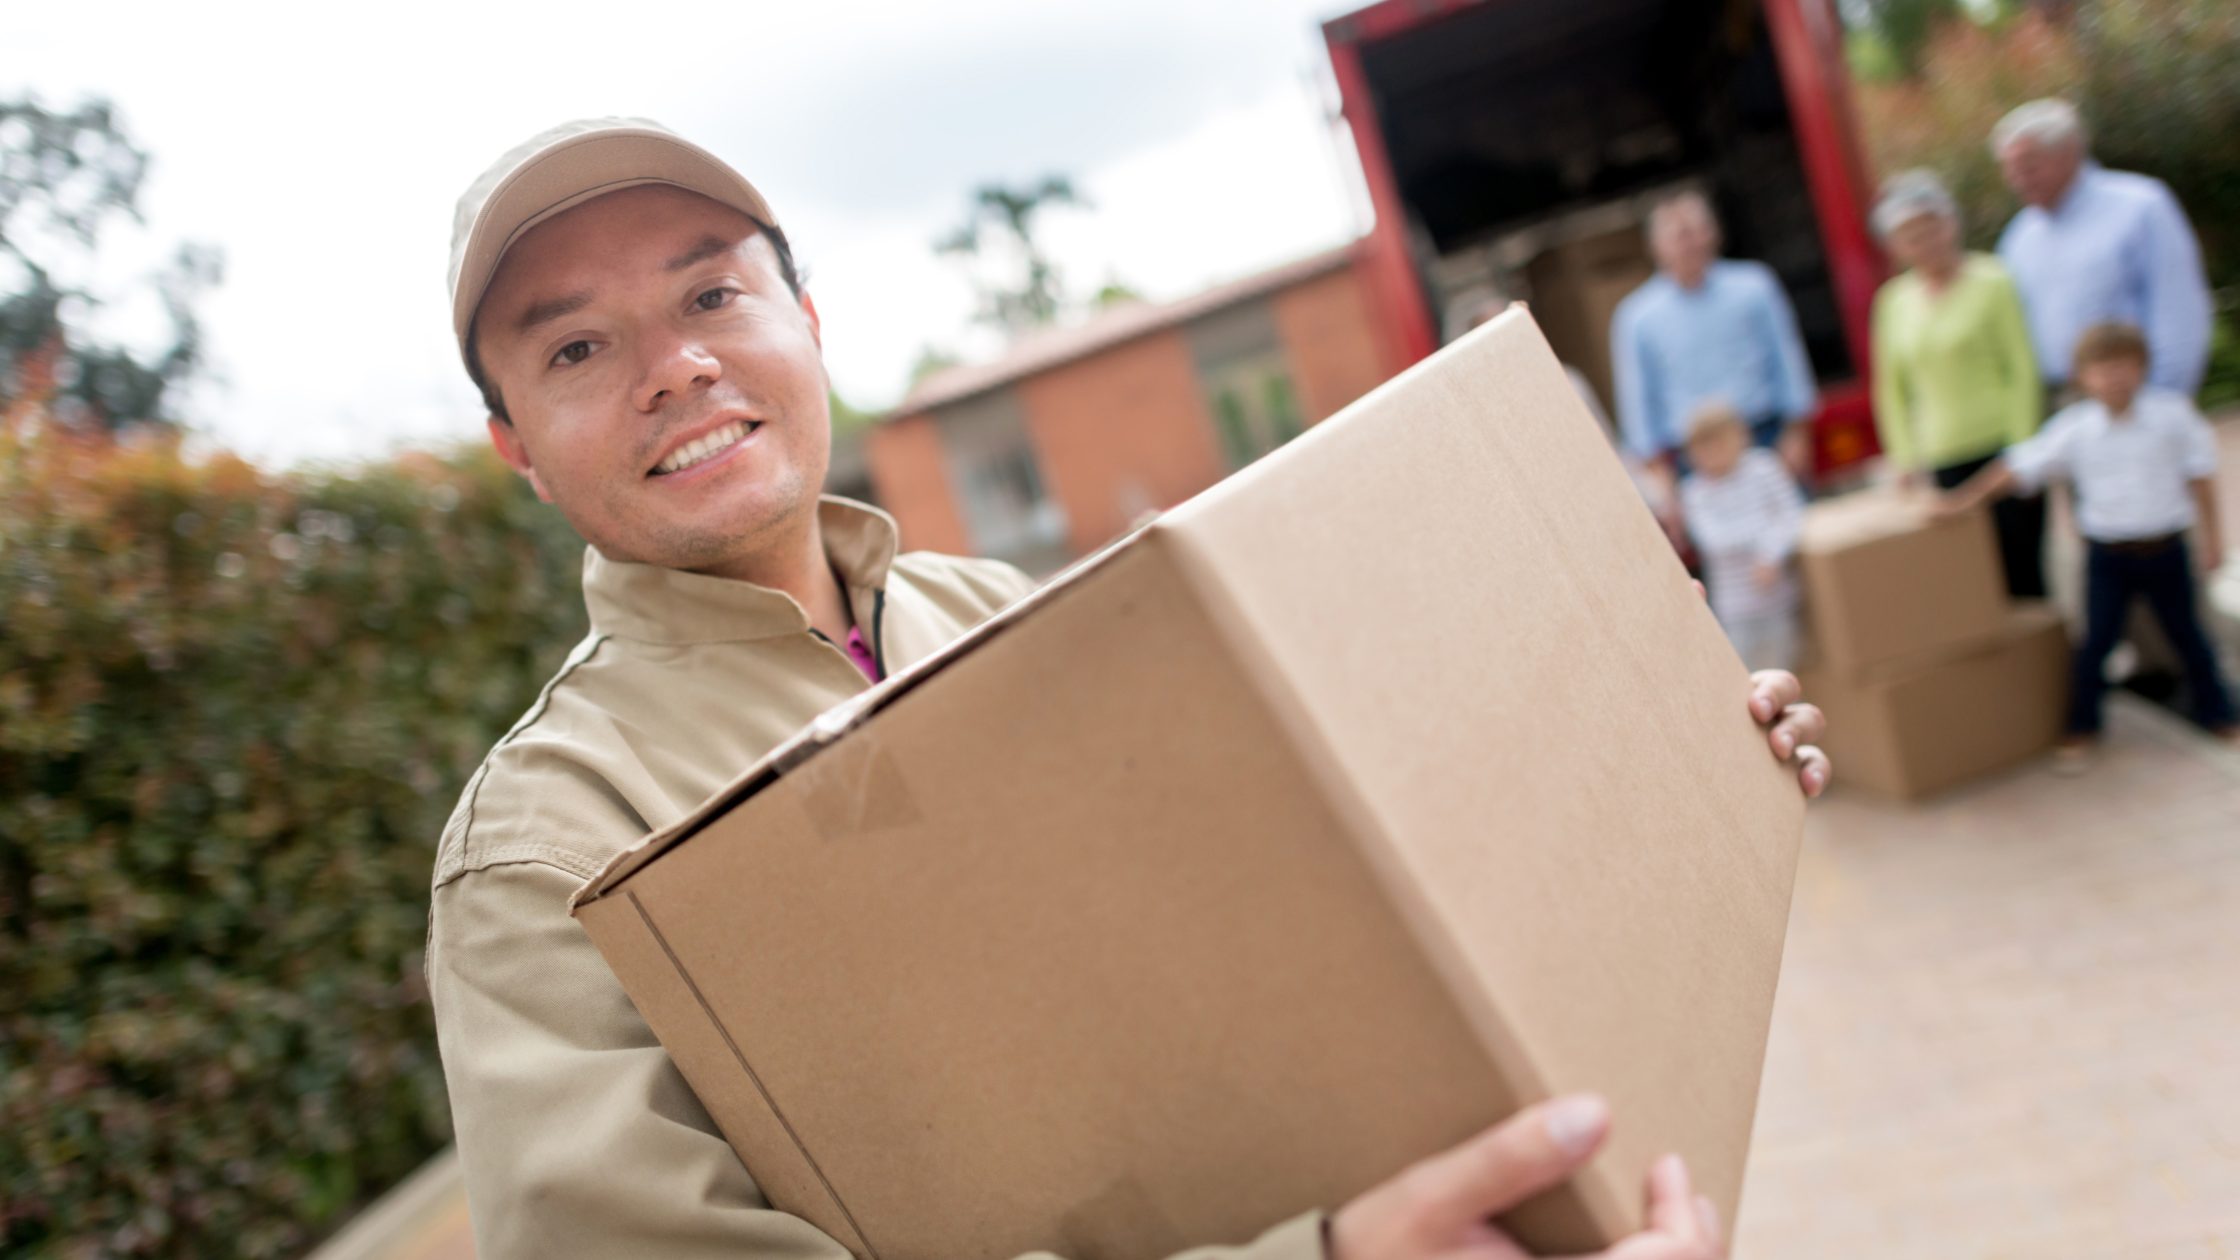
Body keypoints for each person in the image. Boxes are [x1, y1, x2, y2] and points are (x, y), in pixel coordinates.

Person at [430, 118, 1832, 1260]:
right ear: (518, 449)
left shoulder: (1013, 618)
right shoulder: (543, 849)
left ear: (804, 320)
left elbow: (1324, 888)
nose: (675, 367)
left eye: (710, 295)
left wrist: (1670, 751)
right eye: (574, 350)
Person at [1937, 323, 2235, 768]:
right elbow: (2018, 467)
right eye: (2102, 368)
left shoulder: (2172, 415)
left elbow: (2202, 478)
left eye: (2124, 365)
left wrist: (2213, 542)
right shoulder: (2075, 428)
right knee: (2094, 643)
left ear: (2142, 367)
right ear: (2083, 376)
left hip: (2165, 548)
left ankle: (2220, 715)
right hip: (2109, 556)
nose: (2114, 378)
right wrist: (1963, 501)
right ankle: (2081, 727)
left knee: (2190, 637)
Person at [1868, 169, 2047, 597]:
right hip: (1942, 458)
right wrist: (1904, 457)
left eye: (1930, 227)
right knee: (1972, 587)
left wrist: (2023, 449)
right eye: (1909, 235)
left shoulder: (1993, 280)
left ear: (1950, 224)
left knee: (2024, 576)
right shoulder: (1892, 302)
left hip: (2000, 453)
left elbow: (2021, 368)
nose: (1923, 241)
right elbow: (1890, 388)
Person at [1992, 98, 2215, 399]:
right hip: (2058, 410)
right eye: (2009, 170)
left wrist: (2163, 401)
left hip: (2136, 397)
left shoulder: (2141, 207)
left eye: (2028, 166)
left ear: (2069, 152)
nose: (2016, 181)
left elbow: (2179, 311)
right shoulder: (2018, 238)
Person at [1611, 190, 1819, 484]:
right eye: (1678, 236)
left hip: (1763, 437)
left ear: (1714, 233)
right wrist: (1658, 473)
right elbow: (1637, 399)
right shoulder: (1636, 317)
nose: (1689, 243)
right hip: (1692, 457)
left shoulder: (1755, 286)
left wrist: (1797, 432)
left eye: (1696, 231)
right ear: (1655, 246)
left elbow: (1787, 358)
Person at [1678, 403, 1806, 671]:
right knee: (1744, 672)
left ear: (1741, 436)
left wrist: (1771, 555)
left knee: (1786, 667)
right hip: (1734, 605)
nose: (1714, 453)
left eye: (1720, 442)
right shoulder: (1695, 492)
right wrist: (1762, 535)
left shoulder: (1765, 467)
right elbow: (1712, 538)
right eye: (1705, 447)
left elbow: (1792, 514)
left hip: (1778, 597)